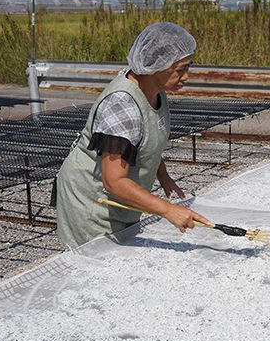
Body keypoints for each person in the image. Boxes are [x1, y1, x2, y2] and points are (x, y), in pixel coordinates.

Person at [56, 22, 210, 248]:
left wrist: (163, 176)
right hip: (92, 200)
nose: (186, 76)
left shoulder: (155, 89)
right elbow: (114, 181)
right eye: (180, 70)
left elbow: (147, 140)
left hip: (119, 197)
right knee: (97, 260)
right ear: (157, 66)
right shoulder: (122, 104)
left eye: (188, 67)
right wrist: (168, 210)